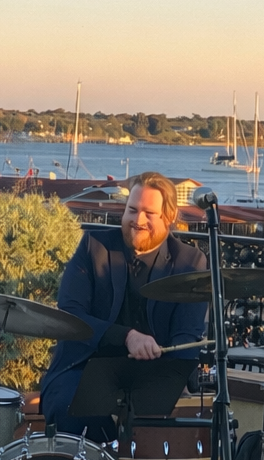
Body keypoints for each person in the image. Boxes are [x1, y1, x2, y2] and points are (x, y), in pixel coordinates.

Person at [39, 172, 209, 439]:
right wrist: (127, 337)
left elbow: (186, 334)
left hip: (150, 373)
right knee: (70, 407)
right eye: (132, 210)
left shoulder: (190, 262)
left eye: (148, 213)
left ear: (169, 216)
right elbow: (70, 314)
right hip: (85, 365)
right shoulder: (94, 246)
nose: (137, 221)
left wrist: (178, 385)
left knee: (194, 422)